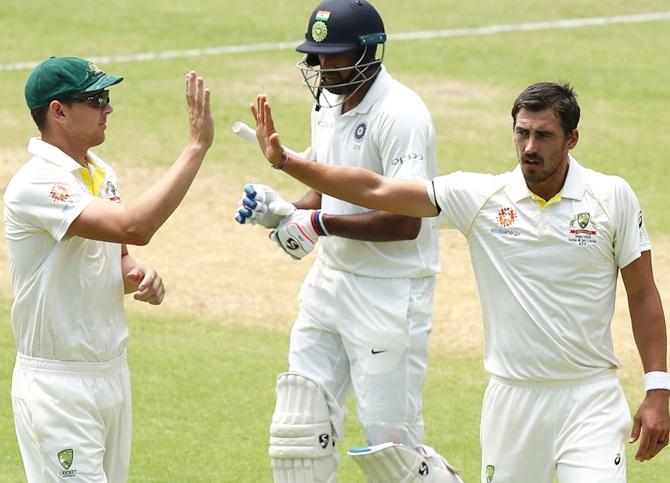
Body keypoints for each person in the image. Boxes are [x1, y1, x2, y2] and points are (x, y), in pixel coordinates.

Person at [251, 81, 670, 482]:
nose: (529, 147)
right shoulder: (482, 197)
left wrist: (657, 389)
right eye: (521, 133)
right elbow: (378, 189)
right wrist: (287, 162)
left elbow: (643, 294)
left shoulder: (611, 197)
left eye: (543, 136)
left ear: (572, 139)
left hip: (590, 399)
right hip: (512, 401)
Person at [236, 1, 463, 481]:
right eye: (318, 56)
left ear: (369, 53)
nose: (323, 67)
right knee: (299, 427)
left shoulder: (402, 115)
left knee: (392, 451)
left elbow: (408, 221)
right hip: (329, 284)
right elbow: (327, 188)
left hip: (390, 291)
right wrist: (282, 212)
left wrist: (320, 224)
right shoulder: (329, 101)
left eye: (335, 56)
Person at [3, 56, 213, 482]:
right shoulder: (37, 183)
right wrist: (195, 148)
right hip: (58, 386)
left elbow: (118, 256)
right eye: (96, 99)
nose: (108, 108)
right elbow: (134, 227)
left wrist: (138, 276)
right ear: (58, 111)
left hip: (111, 373)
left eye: (107, 97)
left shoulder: (101, 173)